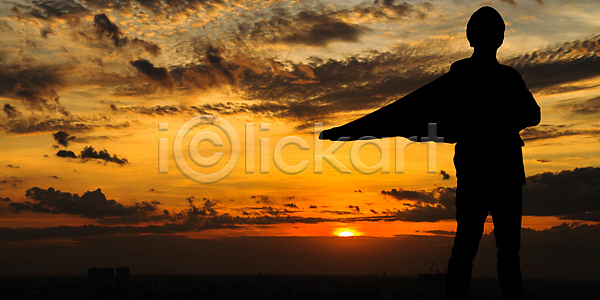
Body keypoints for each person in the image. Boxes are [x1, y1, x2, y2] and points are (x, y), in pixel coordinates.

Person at [444, 6, 541, 300]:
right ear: (499, 39)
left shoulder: (465, 73)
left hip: (483, 172)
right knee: (497, 251)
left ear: (470, 37)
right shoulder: (504, 77)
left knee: (471, 248)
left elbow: (532, 114)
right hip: (498, 172)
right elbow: (532, 114)